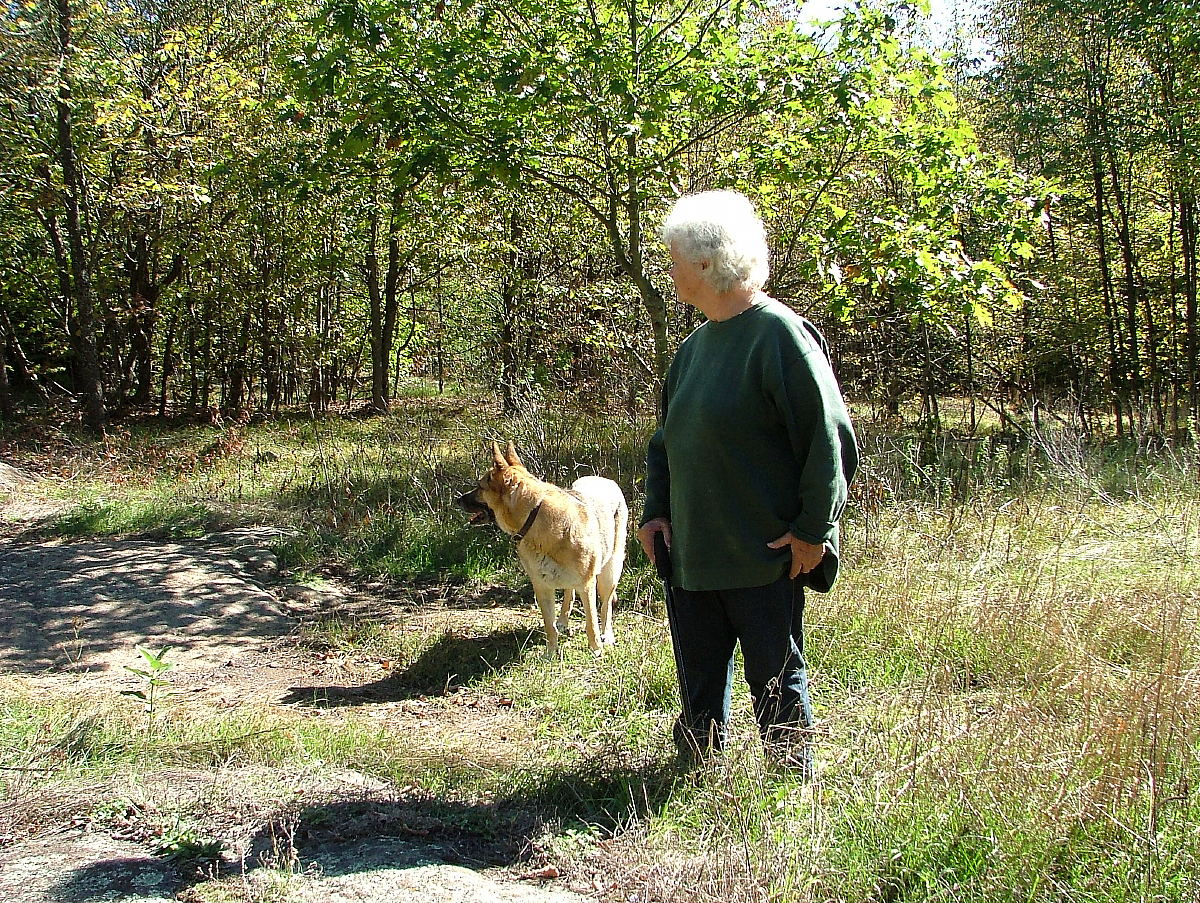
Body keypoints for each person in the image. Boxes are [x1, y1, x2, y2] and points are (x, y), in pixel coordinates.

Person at [637, 189, 858, 773]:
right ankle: (693, 775)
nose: (670, 271)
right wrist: (655, 513)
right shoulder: (690, 349)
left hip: (765, 554)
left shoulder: (779, 335)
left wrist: (814, 530)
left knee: (777, 677)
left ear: (707, 262)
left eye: (675, 259)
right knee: (699, 677)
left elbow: (827, 440)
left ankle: (789, 786)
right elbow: (666, 441)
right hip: (694, 556)